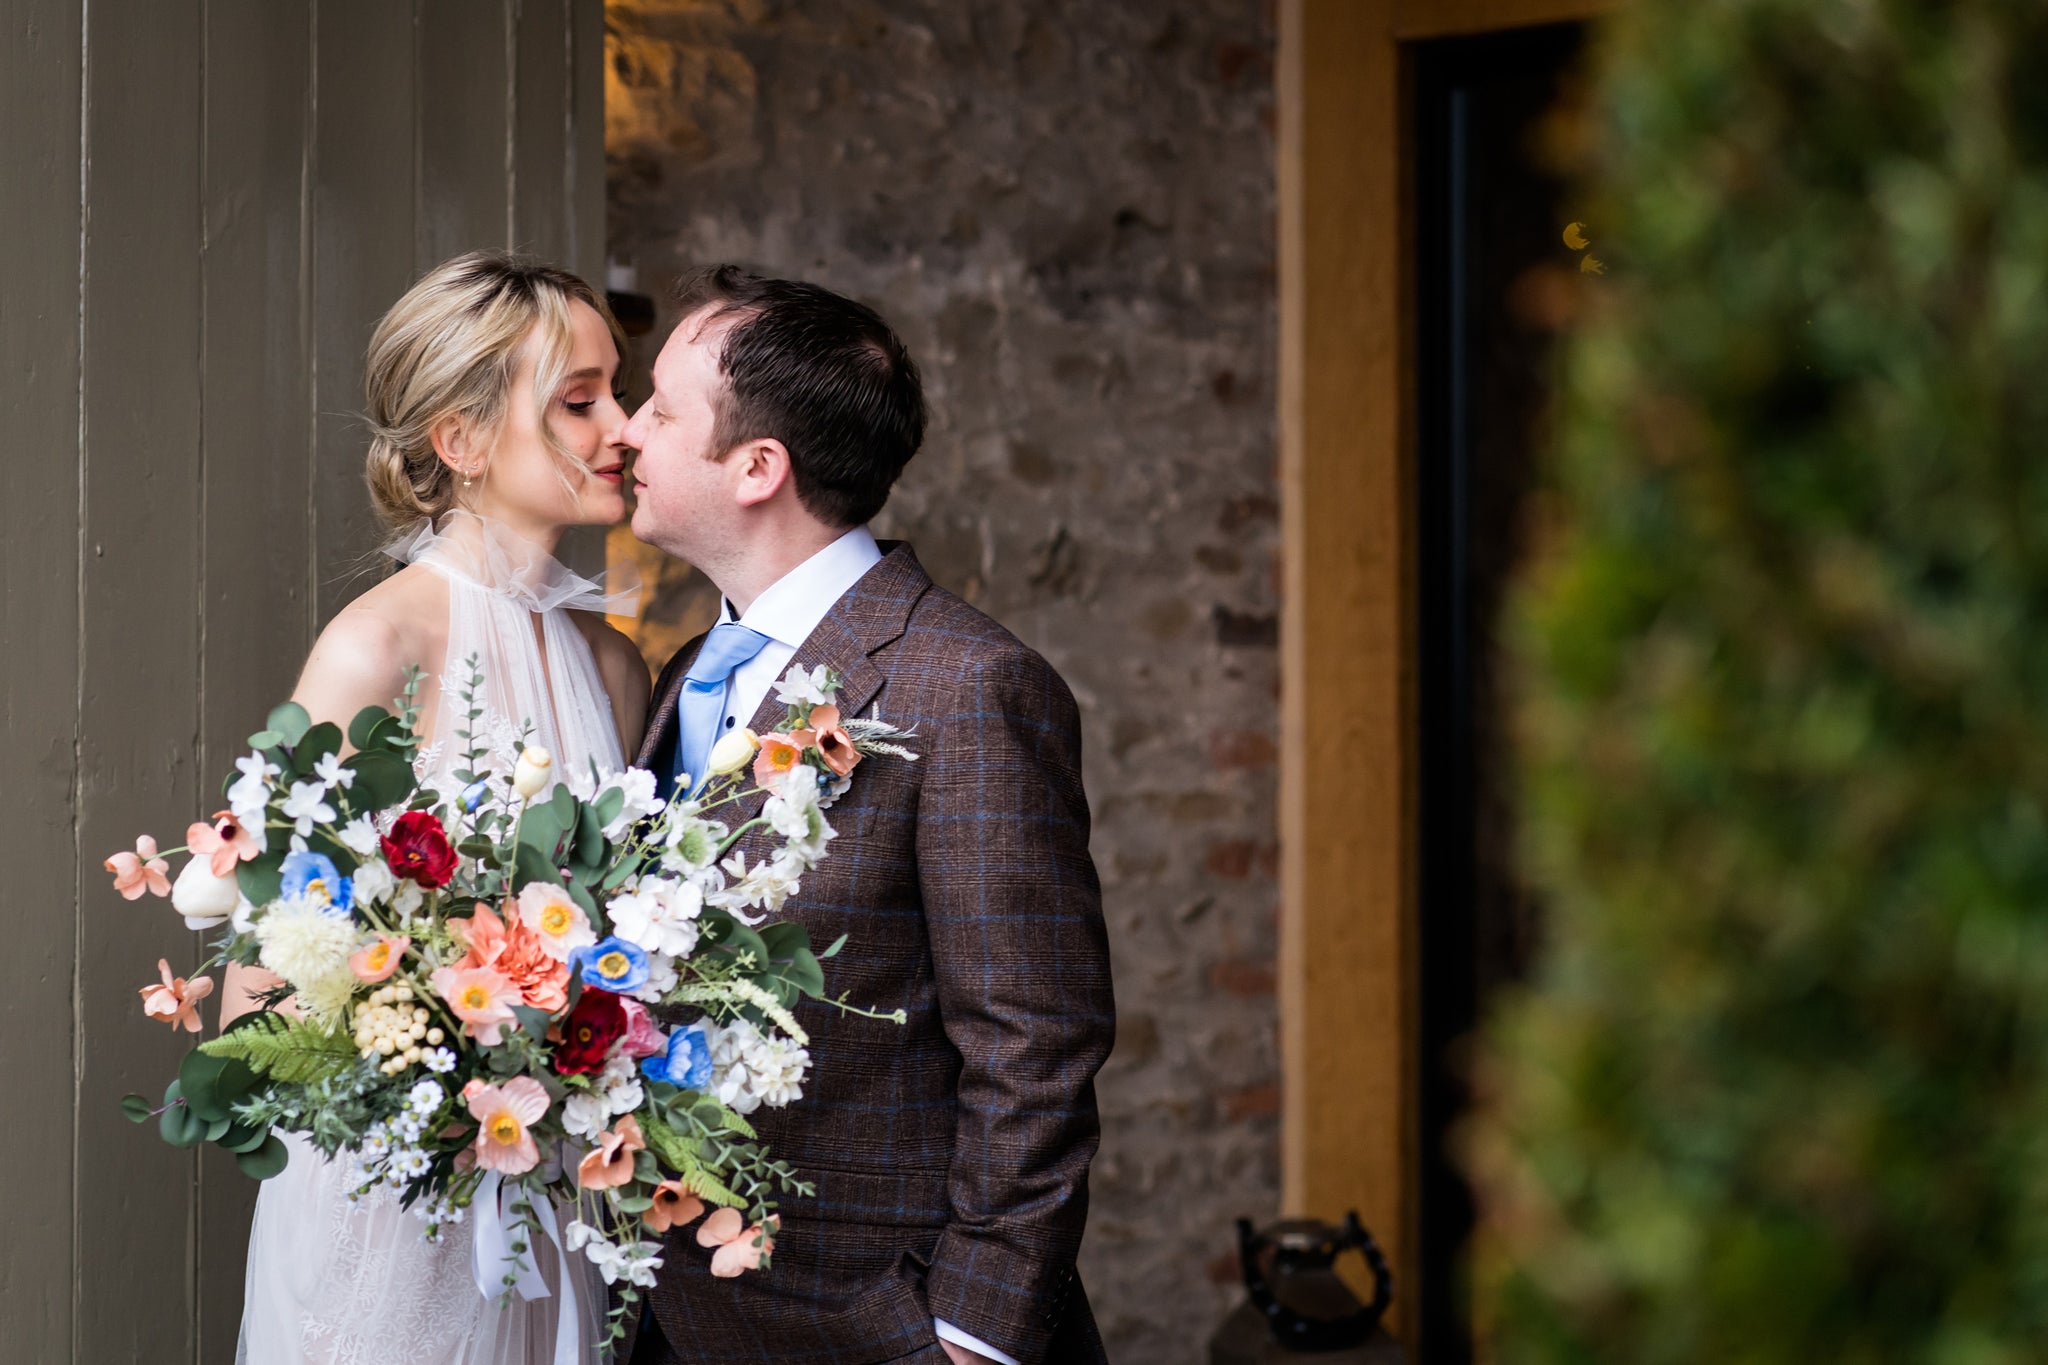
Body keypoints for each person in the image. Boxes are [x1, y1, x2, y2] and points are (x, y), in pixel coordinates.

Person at [619, 267, 1115, 1365]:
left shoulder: (967, 685)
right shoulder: (686, 672)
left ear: (758, 467)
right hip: (674, 1313)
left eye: (657, 407)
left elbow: (1036, 1045)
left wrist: (968, 1337)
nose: (626, 432)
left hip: (872, 1323)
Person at [226, 251, 649, 1365]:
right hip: (394, 1209)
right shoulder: (378, 646)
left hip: (559, 1194)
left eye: (619, 391)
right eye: (579, 401)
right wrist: (424, 1048)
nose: (625, 427)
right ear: (459, 442)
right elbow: (255, 998)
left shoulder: (614, 668)